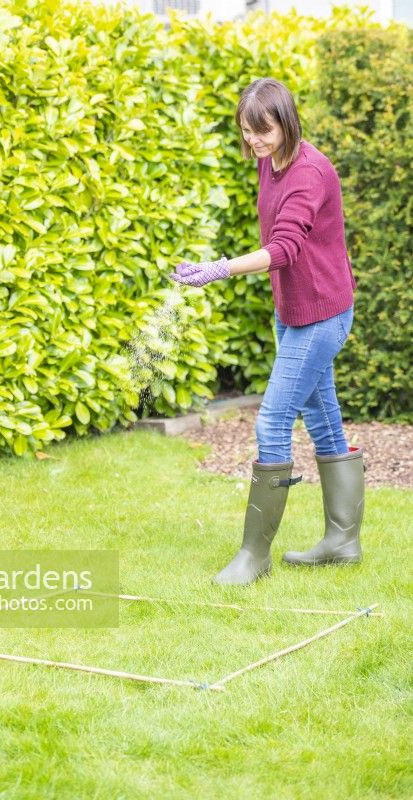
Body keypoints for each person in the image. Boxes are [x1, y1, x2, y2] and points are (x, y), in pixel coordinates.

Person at [169, 77, 365, 586]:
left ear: (285, 121)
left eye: (263, 130)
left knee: (271, 421)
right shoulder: (270, 160)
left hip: (322, 315)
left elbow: (284, 249)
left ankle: (254, 557)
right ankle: (342, 540)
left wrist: (220, 267)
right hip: (295, 308)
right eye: (247, 130)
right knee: (323, 420)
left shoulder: (309, 174)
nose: (254, 140)